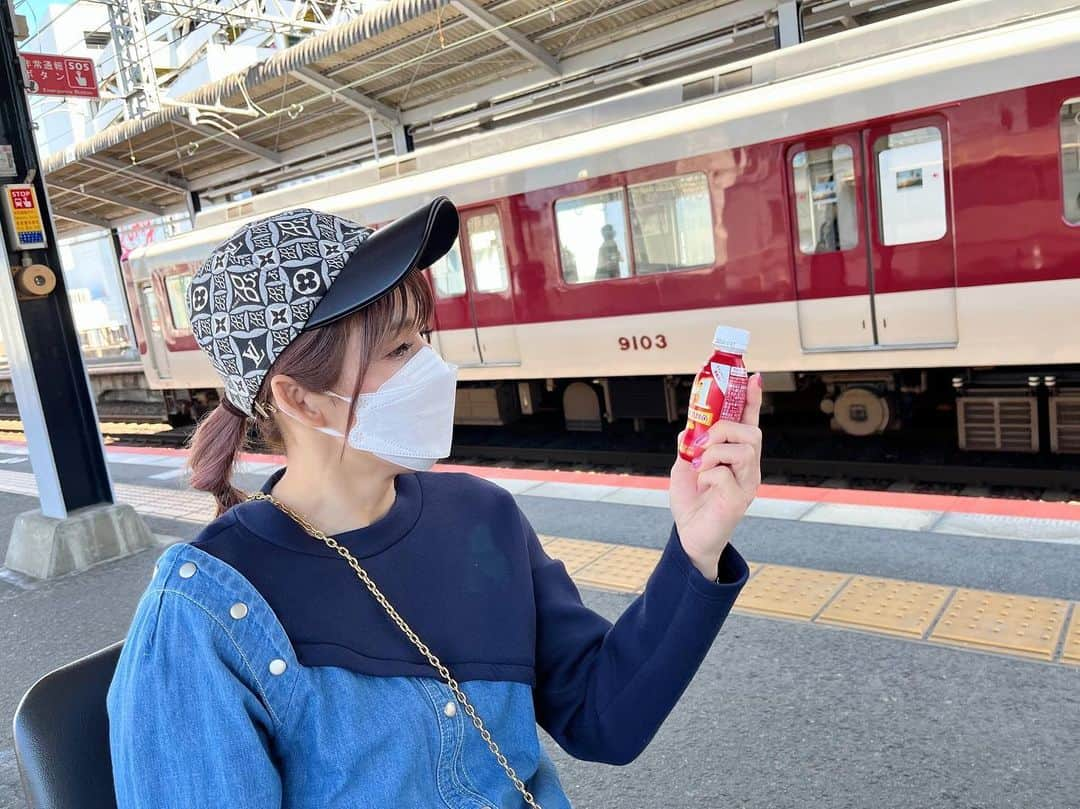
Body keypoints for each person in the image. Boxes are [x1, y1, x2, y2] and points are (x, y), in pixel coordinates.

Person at [105, 197, 762, 808]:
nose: (431, 366)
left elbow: (604, 719)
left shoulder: (483, 517)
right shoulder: (203, 612)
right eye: (397, 349)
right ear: (298, 399)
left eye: (421, 336)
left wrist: (696, 548)